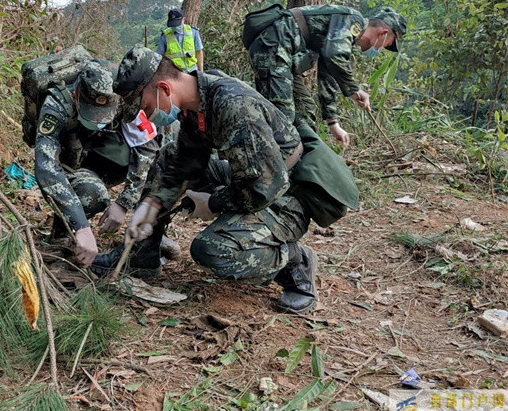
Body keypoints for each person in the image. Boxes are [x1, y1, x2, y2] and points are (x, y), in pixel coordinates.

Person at [96, 45, 358, 314]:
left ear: (164, 89)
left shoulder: (233, 106)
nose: (147, 115)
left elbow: (264, 188)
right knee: (167, 159)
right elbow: (187, 161)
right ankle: (143, 255)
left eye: (146, 107)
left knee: (213, 250)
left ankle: (295, 262)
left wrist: (213, 203)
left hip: (288, 194)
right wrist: (151, 205)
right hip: (251, 175)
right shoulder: (195, 101)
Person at [34, 60, 164, 268]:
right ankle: (62, 233)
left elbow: (146, 148)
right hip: (69, 162)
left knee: (162, 159)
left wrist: (124, 204)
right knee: (91, 193)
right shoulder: (56, 105)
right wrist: (81, 226)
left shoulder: (124, 96)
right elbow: (46, 167)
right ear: (76, 96)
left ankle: (147, 238)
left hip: (99, 153)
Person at [244, 5, 406, 147]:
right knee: (282, 118)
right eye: (388, 44)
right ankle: (270, 168)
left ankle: (307, 164)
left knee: (305, 109)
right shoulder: (353, 20)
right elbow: (333, 55)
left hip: (283, 56)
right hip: (273, 49)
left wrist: (333, 123)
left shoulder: (344, 35)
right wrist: (354, 90)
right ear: (383, 33)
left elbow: (327, 74)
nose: (382, 48)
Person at [156, 8, 204, 74]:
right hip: (174, 74)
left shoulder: (193, 32)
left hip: (192, 71)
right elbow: (159, 56)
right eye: (173, 24)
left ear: (184, 20)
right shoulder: (165, 36)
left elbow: (199, 52)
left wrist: (201, 72)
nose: (175, 26)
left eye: (177, 24)